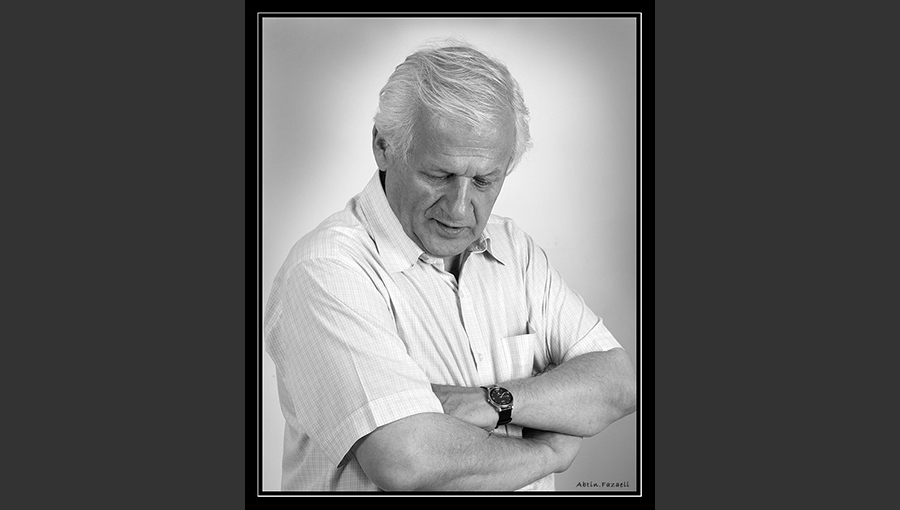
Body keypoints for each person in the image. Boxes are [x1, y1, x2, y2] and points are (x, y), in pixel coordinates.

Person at [264, 41, 636, 491]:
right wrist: (549, 451)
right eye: (439, 175)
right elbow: (406, 460)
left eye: (484, 180)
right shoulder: (327, 271)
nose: (460, 209)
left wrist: (491, 402)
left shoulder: (514, 250)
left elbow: (618, 383)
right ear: (383, 147)